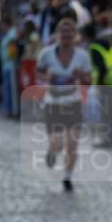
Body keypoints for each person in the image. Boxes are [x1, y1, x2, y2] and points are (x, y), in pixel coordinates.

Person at [36, 16, 92, 191]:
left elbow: (89, 81)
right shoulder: (46, 53)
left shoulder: (82, 56)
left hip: (73, 103)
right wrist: (48, 77)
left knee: (72, 143)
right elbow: (38, 75)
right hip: (53, 103)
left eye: (69, 33)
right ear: (58, 34)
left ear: (74, 35)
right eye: (63, 33)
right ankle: (51, 153)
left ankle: (67, 177)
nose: (66, 36)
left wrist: (80, 75)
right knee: (58, 144)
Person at [81, 22, 112, 148]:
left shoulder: (94, 48)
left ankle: (107, 140)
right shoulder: (106, 43)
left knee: (106, 113)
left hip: (106, 83)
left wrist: (99, 85)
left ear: (86, 35)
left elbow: (101, 68)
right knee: (111, 112)